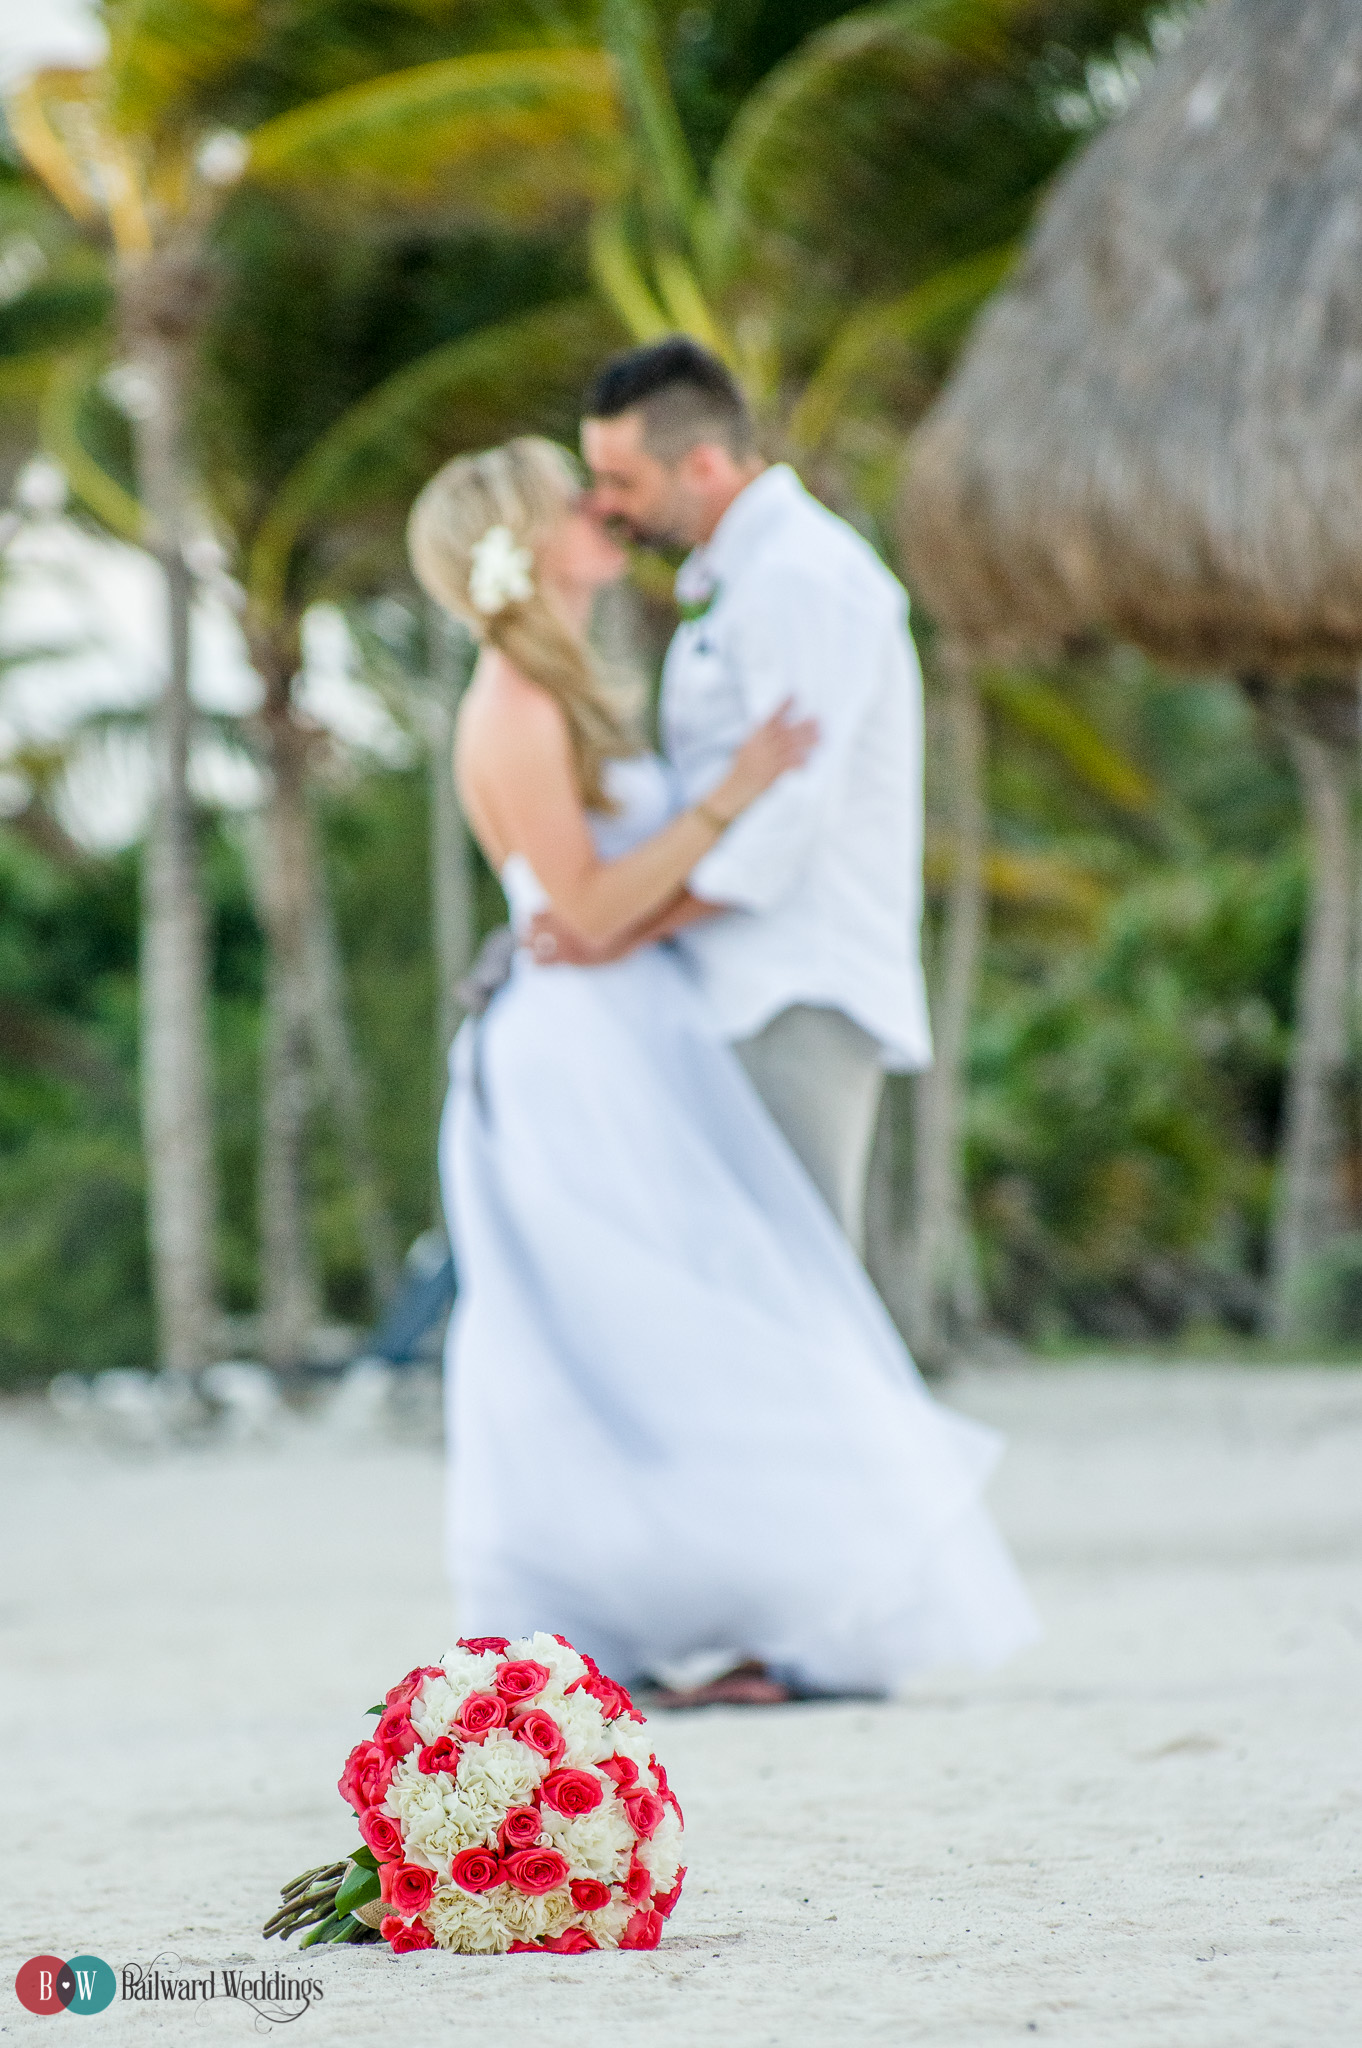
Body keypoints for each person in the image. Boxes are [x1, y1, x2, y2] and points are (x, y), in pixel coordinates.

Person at [410, 435, 1038, 1705]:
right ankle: (675, 1614)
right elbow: (581, 908)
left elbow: (592, 910)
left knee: (692, 1324)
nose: (606, 513)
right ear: (528, 544)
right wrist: (735, 792)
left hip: (630, 1031)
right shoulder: (517, 704)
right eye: (575, 501)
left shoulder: (564, 686)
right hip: (580, 1052)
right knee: (649, 1326)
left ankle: (752, 1604)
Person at [530, 336, 931, 1257]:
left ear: (703, 464)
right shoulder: (745, 576)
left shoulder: (805, 580)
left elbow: (790, 816)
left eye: (621, 481)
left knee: (799, 1280)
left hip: (796, 979)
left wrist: (624, 929)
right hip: (740, 979)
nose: (604, 506)